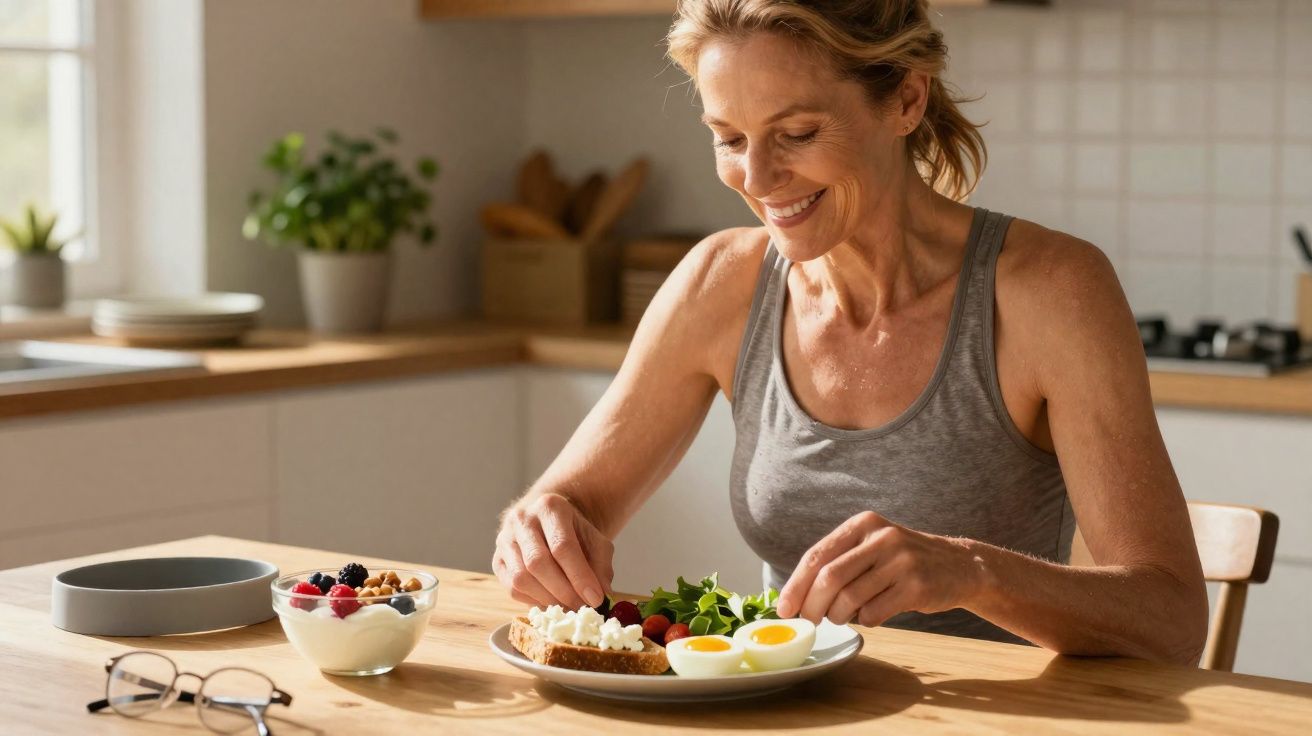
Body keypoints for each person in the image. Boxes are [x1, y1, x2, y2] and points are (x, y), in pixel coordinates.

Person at [492, 0, 1208, 664]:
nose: (760, 176)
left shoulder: (1050, 291)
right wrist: (539, 531)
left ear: (906, 98)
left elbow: (1170, 619)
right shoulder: (722, 282)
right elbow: (569, 504)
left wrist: (972, 572)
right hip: (786, 708)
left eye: (797, 134)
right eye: (729, 137)